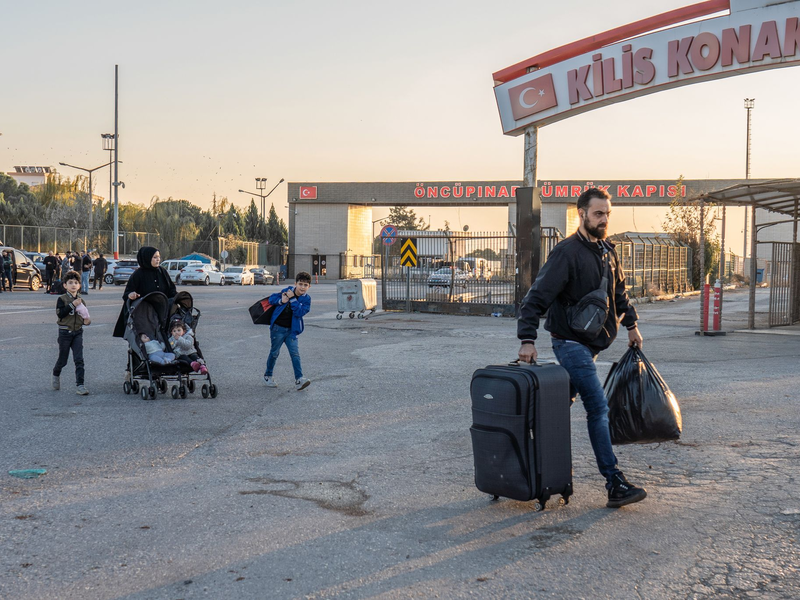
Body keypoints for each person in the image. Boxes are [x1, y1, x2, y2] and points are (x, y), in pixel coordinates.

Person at [517, 187, 647, 509]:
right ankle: (614, 482)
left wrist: (631, 325)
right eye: (598, 213)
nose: (603, 219)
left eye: (607, 214)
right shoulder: (566, 253)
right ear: (582, 214)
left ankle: (536, 460)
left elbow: (619, 294)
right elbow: (536, 297)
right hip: (569, 343)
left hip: (592, 345)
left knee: (556, 406)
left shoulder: (607, 251)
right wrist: (527, 339)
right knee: (598, 407)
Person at [113, 247, 177, 381]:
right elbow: (127, 293)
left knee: (160, 340)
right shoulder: (138, 274)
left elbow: (171, 290)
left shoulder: (162, 272)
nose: (158, 260)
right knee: (140, 344)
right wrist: (131, 295)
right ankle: (132, 369)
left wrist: (176, 300)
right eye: (154, 257)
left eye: (159, 257)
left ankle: (159, 367)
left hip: (160, 314)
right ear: (147, 259)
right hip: (141, 314)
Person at [263, 271, 312, 391]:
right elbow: (272, 299)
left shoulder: (306, 299)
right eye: (300, 284)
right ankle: (268, 376)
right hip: (277, 329)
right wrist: (282, 300)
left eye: (305, 285)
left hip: (292, 331)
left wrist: (293, 299)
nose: (302, 287)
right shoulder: (287, 290)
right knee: (274, 353)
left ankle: (299, 379)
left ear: (309, 287)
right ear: (295, 284)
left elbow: (299, 312)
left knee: (295, 354)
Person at [52, 270, 91, 395]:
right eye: (70, 283)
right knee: (63, 360)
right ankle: (56, 373)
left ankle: (80, 385)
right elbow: (60, 314)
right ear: (65, 285)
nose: (73, 285)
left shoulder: (81, 301)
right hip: (65, 333)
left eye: (75, 282)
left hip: (77, 333)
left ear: (79, 285)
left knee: (79, 359)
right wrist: (72, 305)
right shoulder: (62, 299)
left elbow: (84, 316)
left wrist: (87, 321)